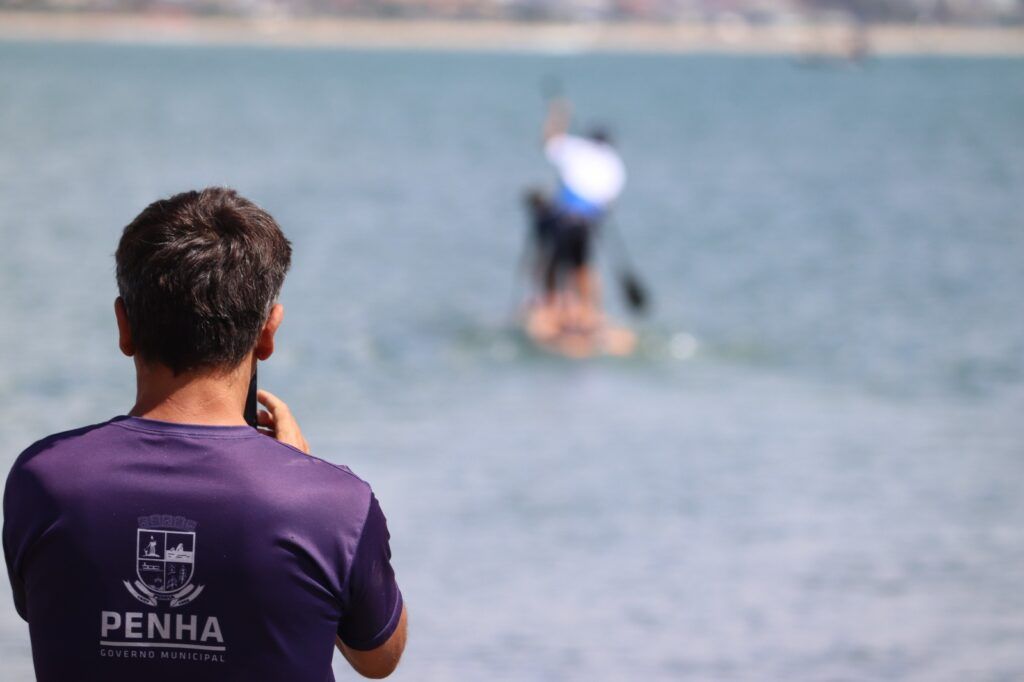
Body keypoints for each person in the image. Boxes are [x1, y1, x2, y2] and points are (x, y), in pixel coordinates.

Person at [3, 188, 407, 681]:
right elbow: (379, 659)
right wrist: (301, 475)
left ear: (124, 326)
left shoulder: (41, 480)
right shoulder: (333, 504)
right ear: (267, 334)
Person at [529, 97, 626, 333]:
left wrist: (558, 114)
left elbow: (550, 140)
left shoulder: (577, 149)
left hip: (563, 219)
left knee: (552, 263)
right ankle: (588, 312)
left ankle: (552, 307)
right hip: (588, 223)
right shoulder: (614, 163)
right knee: (583, 265)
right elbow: (608, 202)